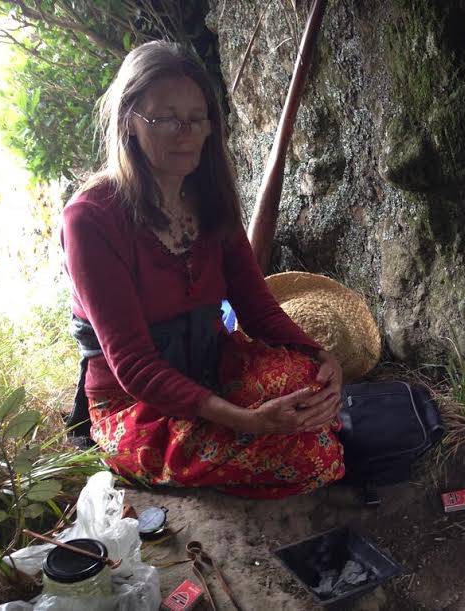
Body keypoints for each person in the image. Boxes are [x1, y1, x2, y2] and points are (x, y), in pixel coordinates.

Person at [60, 40, 345, 499]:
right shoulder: (92, 219)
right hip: (135, 403)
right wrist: (244, 420)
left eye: (196, 118)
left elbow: (258, 308)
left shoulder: (209, 198)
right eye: (165, 118)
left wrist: (321, 357)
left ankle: (271, 436)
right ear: (130, 122)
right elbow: (134, 365)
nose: (185, 132)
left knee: (308, 384)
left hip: (214, 366)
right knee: (313, 458)